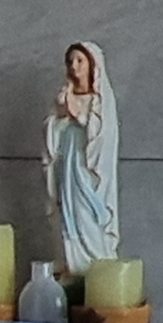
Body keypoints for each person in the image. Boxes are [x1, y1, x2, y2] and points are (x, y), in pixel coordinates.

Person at [46, 40, 120, 271]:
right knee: (67, 210)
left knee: (85, 210)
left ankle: (93, 261)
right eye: (70, 61)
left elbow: (103, 137)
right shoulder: (63, 96)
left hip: (86, 167)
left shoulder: (100, 102)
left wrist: (78, 114)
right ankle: (71, 262)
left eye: (80, 61)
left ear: (92, 66)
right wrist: (60, 117)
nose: (74, 66)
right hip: (67, 166)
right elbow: (51, 133)